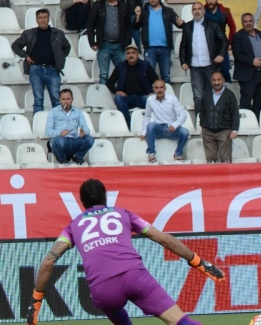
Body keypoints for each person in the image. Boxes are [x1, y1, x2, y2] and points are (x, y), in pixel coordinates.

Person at [25, 179, 224, 325]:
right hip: (135, 277)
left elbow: (48, 262)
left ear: (82, 202)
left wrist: (36, 301)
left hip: (103, 289)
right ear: (105, 197)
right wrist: (198, 262)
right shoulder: (123, 214)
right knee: (179, 321)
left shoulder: (73, 226)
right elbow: (165, 239)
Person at [11, 8, 71, 115]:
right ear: (36, 19)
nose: (43, 20)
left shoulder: (58, 34)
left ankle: (59, 125)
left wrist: (60, 57)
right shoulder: (29, 34)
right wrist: (26, 56)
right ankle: (38, 124)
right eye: (40, 18)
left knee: (56, 100)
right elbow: (15, 45)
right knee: (38, 100)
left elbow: (67, 47)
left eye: (45, 17)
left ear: (48, 19)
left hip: (53, 70)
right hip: (36, 70)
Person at [180, 1, 229, 117]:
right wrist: (183, 62)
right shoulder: (187, 27)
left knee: (215, 93)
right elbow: (183, 46)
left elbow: (224, 41)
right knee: (198, 96)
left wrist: (221, 54)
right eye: (194, 9)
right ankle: (201, 122)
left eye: (199, 9)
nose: (197, 11)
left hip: (210, 65)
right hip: (195, 66)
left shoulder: (214, 25)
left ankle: (217, 119)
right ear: (192, 12)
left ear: (204, 11)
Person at [106, 44, 159, 127]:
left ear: (137, 54)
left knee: (153, 99)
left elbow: (157, 81)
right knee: (118, 98)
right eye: (128, 53)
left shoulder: (145, 66)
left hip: (143, 97)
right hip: (127, 99)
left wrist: (152, 92)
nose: (131, 55)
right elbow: (109, 82)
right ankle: (129, 124)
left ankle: (154, 125)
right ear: (126, 55)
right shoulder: (120, 67)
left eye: (133, 53)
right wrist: (117, 91)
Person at [134, 0, 184, 84]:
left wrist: (181, 23)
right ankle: (150, 96)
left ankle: (167, 97)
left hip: (165, 49)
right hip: (149, 49)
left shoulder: (169, 11)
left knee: (166, 77)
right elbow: (135, 27)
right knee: (148, 76)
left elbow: (180, 24)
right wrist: (138, 16)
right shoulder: (143, 11)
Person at [140, 79, 189, 163]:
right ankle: (151, 153)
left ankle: (178, 153)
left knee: (185, 132)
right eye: (157, 88)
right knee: (151, 126)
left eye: (161, 87)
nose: (159, 90)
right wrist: (143, 132)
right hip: (158, 129)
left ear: (165, 88)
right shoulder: (150, 100)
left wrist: (175, 125)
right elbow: (147, 116)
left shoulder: (172, 99)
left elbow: (183, 115)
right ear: (154, 89)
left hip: (171, 129)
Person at [232, 13, 261, 121]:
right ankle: (245, 123)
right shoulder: (238, 36)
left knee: (259, 100)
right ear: (242, 23)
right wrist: (252, 61)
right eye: (245, 21)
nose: (248, 23)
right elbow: (237, 54)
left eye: (250, 21)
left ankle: (257, 122)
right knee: (246, 100)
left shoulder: (260, 33)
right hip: (247, 74)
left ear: (253, 21)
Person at [86, 0, 132, 84]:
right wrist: (92, 42)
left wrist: (127, 42)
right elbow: (90, 25)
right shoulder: (98, 6)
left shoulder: (124, 6)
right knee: (103, 75)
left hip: (120, 46)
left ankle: (121, 96)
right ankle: (103, 96)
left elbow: (128, 26)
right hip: (104, 45)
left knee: (123, 73)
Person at [45, 89, 95, 165]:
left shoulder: (78, 112)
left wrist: (83, 132)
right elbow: (47, 131)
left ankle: (77, 157)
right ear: (59, 100)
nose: (66, 101)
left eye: (68, 99)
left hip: (73, 140)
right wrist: (60, 133)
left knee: (89, 139)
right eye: (63, 99)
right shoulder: (53, 112)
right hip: (60, 140)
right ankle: (62, 159)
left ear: (72, 99)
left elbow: (86, 128)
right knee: (60, 141)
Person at [199, 71, 239, 163]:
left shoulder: (230, 95)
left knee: (225, 160)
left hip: (224, 132)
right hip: (208, 132)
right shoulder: (206, 94)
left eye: (218, 80)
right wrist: (203, 126)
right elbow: (202, 111)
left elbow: (235, 114)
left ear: (223, 80)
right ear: (211, 81)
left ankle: (227, 177)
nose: (216, 82)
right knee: (211, 161)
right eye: (214, 80)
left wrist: (234, 129)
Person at [204, 0, 237, 83]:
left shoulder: (225, 11)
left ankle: (228, 94)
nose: (210, 1)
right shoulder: (202, 11)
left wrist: (230, 42)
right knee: (209, 74)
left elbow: (232, 27)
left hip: (222, 45)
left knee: (225, 72)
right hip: (206, 46)